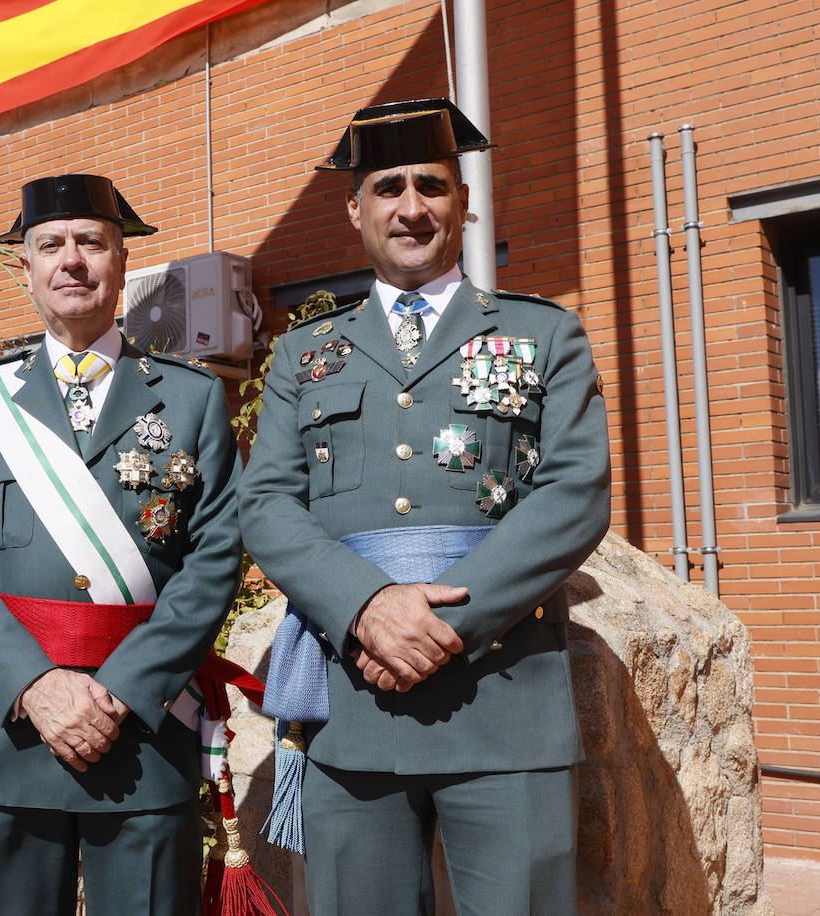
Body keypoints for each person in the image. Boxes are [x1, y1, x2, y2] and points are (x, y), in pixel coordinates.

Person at [240, 99, 611, 915]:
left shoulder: (542, 334)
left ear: (465, 202)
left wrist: (442, 624)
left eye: (433, 187)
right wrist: (367, 608)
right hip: (353, 703)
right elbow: (266, 502)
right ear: (355, 208)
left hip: (501, 694)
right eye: (389, 188)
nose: (412, 208)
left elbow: (576, 495)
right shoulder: (306, 353)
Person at [0, 174, 242, 915]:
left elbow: (215, 558)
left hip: (144, 737)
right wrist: (35, 685)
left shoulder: (190, 399)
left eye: (91, 242)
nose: (72, 260)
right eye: (50, 245)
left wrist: (122, 691)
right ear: (24, 268)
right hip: (14, 736)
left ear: (122, 262)